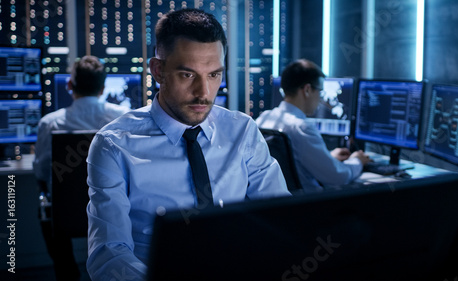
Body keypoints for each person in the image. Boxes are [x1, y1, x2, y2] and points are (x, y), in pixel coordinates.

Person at [86, 8, 290, 281]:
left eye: (214, 75)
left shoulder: (242, 131)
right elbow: (109, 255)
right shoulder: (114, 145)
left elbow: (281, 217)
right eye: (187, 75)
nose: (204, 93)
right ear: (158, 71)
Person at [33, 55, 130, 281]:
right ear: (103, 87)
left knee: (46, 210)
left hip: (66, 214)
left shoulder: (50, 123)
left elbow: (40, 173)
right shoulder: (122, 118)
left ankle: (67, 274)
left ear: (69, 85)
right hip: (113, 209)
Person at [256, 59, 370, 192]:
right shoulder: (302, 128)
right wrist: (357, 161)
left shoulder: (264, 118)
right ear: (307, 90)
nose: (321, 99)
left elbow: (291, 163)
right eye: (320, 92)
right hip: (310, 205)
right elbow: (338, 177)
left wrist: (328, 157)